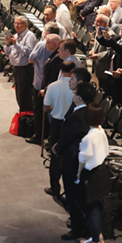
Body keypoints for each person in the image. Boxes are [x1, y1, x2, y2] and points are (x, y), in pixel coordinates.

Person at [55, 81, 94, 240]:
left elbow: (68, 136)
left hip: (72, 159)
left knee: (72, 194)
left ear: (79, 97)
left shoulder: (78, 117)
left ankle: (78, 227)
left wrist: (58, 148)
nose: (72, 95)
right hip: (78, 157)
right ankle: (79, 222)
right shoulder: (86, 111)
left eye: (74, 93)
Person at [76, 104, 109, 243]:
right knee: (95, 206)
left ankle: (96, 241)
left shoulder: (88, 138)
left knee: (92, 209)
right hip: (102, 171)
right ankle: (97, 236)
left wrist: (78, 174)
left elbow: (83, 159)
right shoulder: (101, 131)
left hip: (92, 174)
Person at [43, 61, 76, 199]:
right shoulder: (76, 87)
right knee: (71, 157)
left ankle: (55, 187)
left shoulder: (52, 86)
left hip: (57, 123)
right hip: (72, 124)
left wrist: (54, 109)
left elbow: (45, 108)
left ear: (61, 71)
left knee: (55, 156)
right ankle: (71, 191)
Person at [4, 16, 37, 113]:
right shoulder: (15, 35)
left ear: (25, 24)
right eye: (15, 23)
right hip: (16, 68)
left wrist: (16, 44)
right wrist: (7, 43)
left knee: (25, 94)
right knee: (19, 93)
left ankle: (26, 114)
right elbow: (8, 51)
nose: (16, 26)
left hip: (25, 69)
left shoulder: (30, 36)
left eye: (19, 23)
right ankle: (22, 111)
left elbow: (30, 52)